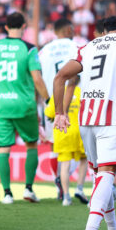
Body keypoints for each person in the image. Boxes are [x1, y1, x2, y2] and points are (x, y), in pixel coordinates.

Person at [54, 16, 116, 230]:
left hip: (86, 119)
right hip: (112, 117)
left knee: (101, 176)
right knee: (107, 174)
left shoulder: (87, 46)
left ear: (103, 32)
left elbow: (60, 77)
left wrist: (59, 113)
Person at [0, 12, 50, 204]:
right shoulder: (29, 49)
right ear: (24, 26)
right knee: (31, 144)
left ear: (6, 27)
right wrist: (48, 100)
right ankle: (28, 189)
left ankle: (7, 194)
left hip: (1, 104)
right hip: (24, 105)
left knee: (3, 149)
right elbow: (37, 79)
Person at [37, 18, 79, 200]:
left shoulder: (43, 51)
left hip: (51, 102)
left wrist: (45, 101)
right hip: (75, 99)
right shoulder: (77, 47)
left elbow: (36, 77)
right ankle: (68, 183)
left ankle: (59, 184)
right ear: (68, 30)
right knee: (79, 147)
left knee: (56, 145)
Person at [44, 77, 88, 206]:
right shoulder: (82, 92)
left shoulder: (58, 93)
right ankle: (79, 188)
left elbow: (49, 113)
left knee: (65, 164)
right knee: (84, 159)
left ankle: (66, 196)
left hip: (63, 131)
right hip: (79, 131)